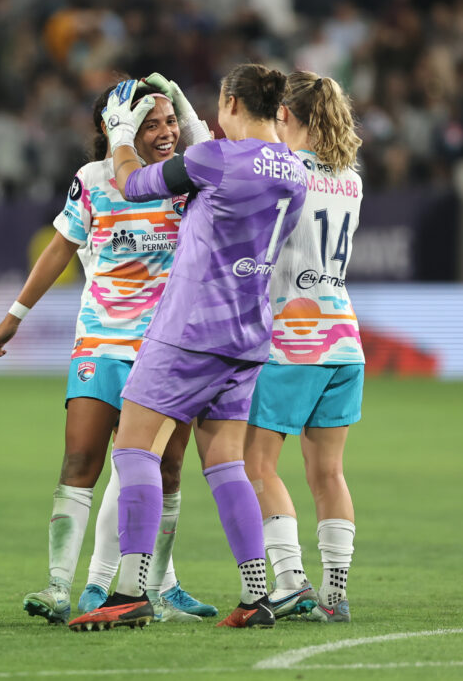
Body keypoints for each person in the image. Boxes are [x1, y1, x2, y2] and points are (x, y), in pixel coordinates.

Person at [68, 64, 308, 632]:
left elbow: (134, 183)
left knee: (133, 449)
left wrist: (120, 134)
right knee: (226, 465)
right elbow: (227, 164)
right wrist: (203, 127)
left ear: (228, 100)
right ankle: (255, 597)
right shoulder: (295, 170)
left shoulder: (216, 159)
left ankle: (128, 590)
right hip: (248, 335)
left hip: (190, 329)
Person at [0, 78, 215, 625]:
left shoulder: (186, 180)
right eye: (150, 123)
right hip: (102, 339)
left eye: (169, 121)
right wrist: (14, 316)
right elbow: (60, 248)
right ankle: (59, 586)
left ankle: (158, 589)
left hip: (168, 344)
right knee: (82, 458)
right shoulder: (93, 181)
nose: (165, 132)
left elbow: (210, 154)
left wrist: (185, 105)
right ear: (118, 127)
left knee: (168, 470)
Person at [243, 71, 364, 624]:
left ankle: (290, 581)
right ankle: (335, 595)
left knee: (257, 465)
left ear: (285, 117)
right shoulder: (351, 180)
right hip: (344, 340)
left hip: (294, 339)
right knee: (328, 474)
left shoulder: (284, 172)